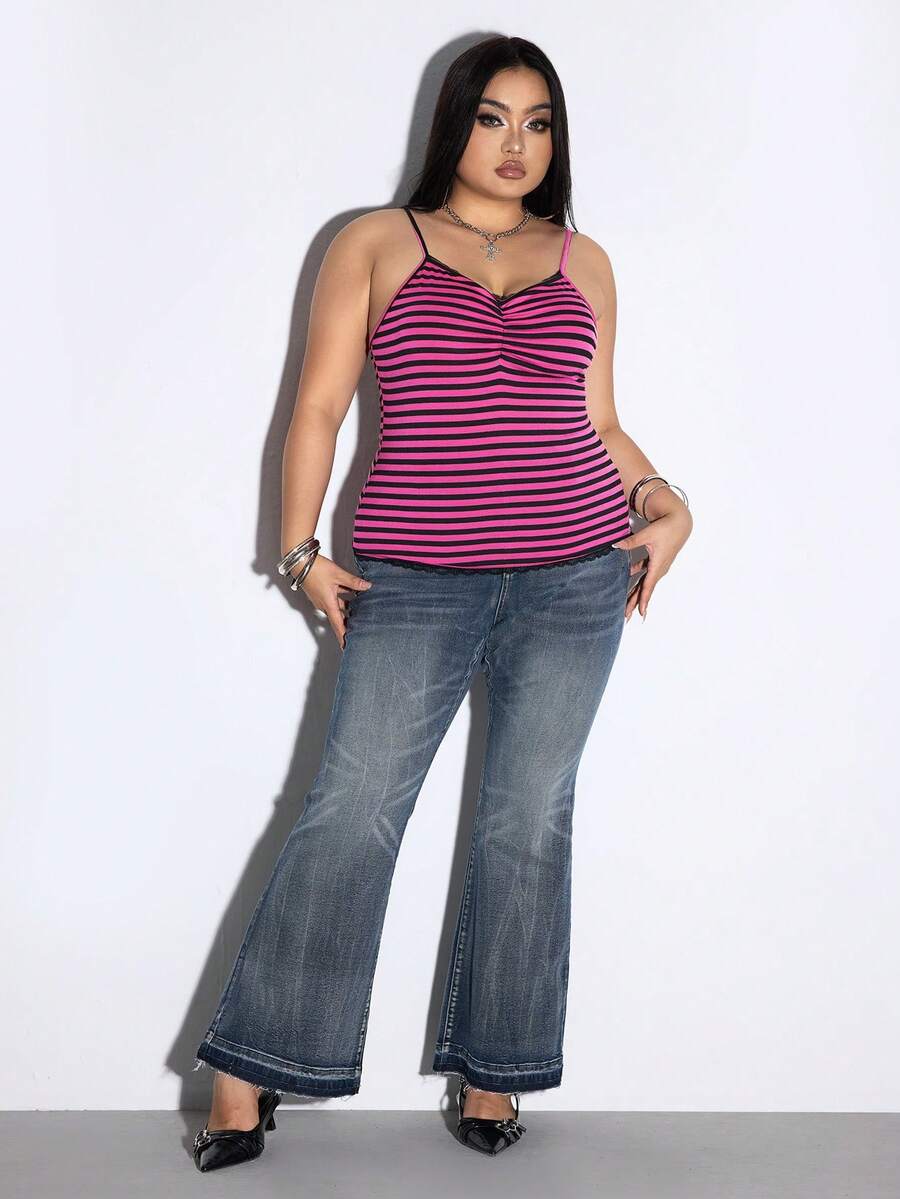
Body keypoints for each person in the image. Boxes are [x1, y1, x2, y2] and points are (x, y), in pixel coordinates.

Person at [190, 33, 692, 1172]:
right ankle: (246, 1068)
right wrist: (299, 550)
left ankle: (495, 1069)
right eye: (493, 118)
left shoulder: (584, 259)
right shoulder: (377, 242)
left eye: (538, 122)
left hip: (574, 574)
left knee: (528, 819)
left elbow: (599, 422)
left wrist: (665, 499)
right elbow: (319, 405)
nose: (516, 143)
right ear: (453, 123)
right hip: (414, 577)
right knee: (353, 807)